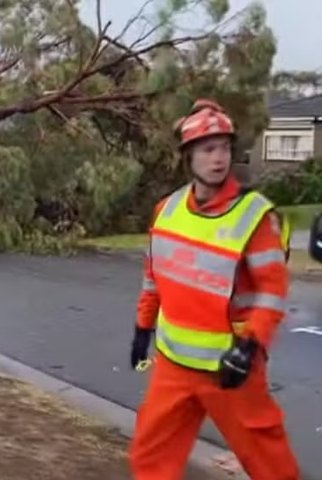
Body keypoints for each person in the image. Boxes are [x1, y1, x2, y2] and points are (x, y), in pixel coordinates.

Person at [128, 99, 299, 479]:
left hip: (231, 370)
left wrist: (249, 345)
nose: (219, 158)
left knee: (272, 466)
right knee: (149, 457)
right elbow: (153, 275)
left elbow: (271, 294)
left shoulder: (253, 217)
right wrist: (143, 327)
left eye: (224, 148)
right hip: (173, 366)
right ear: (189, 156)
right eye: (208, 149)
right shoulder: (166, 210)